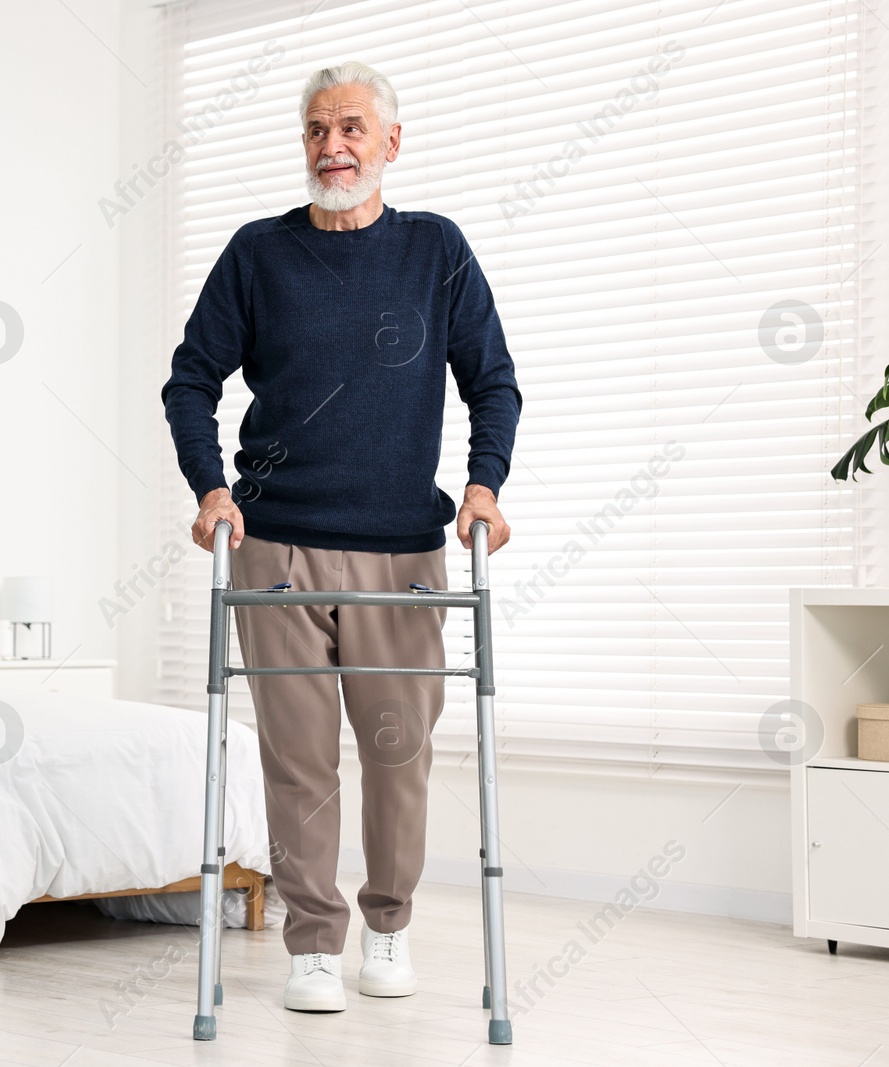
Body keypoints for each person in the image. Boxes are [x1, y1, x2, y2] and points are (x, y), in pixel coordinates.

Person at [160, 60, 522, 1013]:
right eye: (318, 130)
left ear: (390, 143)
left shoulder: (435, 250)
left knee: (399, 756)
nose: (333, 147)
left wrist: (484, 487)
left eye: (353, 128)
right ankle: (313, 943)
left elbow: (493, 380)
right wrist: (211, 489)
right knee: (298, 757)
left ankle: (390, 929)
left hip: (402, 549)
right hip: (276, 544)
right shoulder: (257, 253)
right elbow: (191, 379)